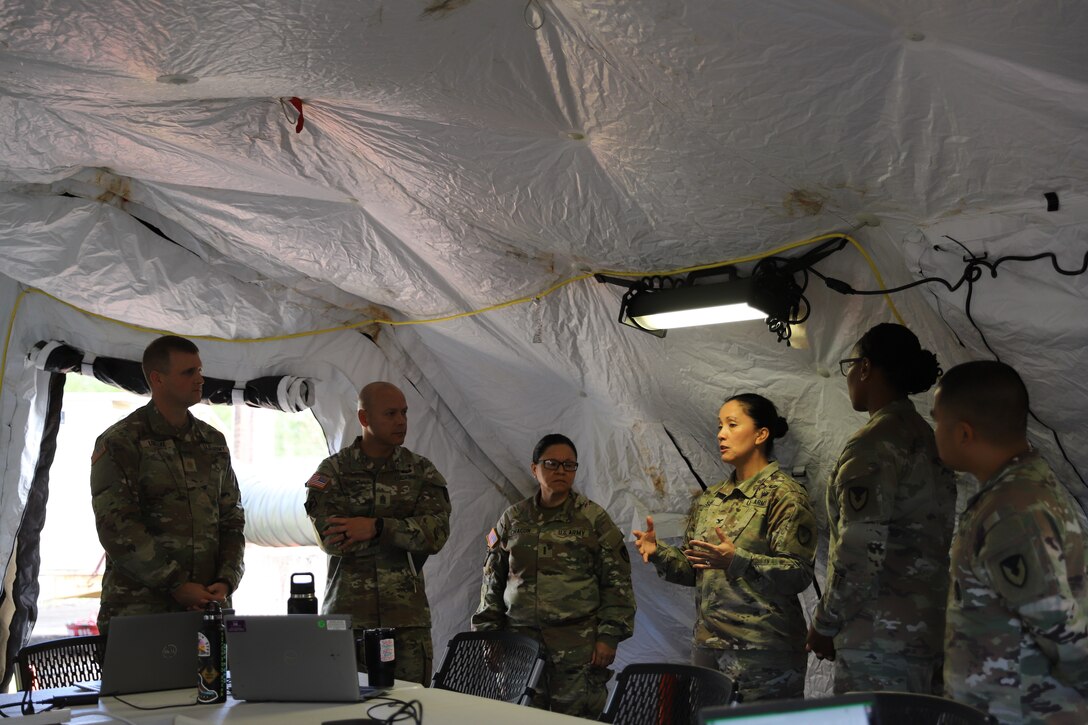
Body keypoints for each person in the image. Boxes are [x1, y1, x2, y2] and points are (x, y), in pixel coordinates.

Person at [633, 394, 817, 702]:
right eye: (719, 426)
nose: (721, 433)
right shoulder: (711, 498)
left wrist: (738, 561)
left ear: (761, 434)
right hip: (709, 649)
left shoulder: (784, 496)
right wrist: (659, 553)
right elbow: (696, 570)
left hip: (764, 653)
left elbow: (797, 573)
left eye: (732, 424)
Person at [934, 361, 1088, 723]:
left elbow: (1065, 634)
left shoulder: (1011, 511)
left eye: (938, 420)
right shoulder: (1021, 487)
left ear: (963, 433)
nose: (934, 431)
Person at [806, 323, 956, 694]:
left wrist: (825, 623)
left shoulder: (874, 445)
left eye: (851, 365)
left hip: (879, 638)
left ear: (866, 368)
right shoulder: (927, 438)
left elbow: (860, 550)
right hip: (927, 632)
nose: (849, 377)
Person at [90, 335, 246, 636]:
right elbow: (117, 527)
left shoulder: (212, 442)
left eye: (200, 370)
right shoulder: (122, 441)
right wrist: (175, 584)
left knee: (211, 684)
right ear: (157, 379)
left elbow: (232, 519)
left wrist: (227, 580)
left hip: (208, 610)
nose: (200, 379)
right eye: (189, 372)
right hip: (141, 611)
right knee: (144, 685)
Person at [472, 434, 635, 718]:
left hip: (576, 647)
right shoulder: (513, 519)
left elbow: (617, 583)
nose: (561, 470)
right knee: (519, 716)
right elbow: (492, 582)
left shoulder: (593, 519)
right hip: (519, 644)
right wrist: (489, 635)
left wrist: (608, 636)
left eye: (569, 465)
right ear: (534, 468)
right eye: (552, 463)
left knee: (575, 718)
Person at [305, 381, 451, 685]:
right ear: (364, 419)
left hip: (406, 622)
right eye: (390, 413)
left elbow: (435, 534)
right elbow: (333, 539)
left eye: (404, 413)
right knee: (344, 710)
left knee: (410, 707)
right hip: (347, 621)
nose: (401, 421)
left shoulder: (421, 472)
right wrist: (405, 531)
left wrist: (376, 527)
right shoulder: (332, 472)